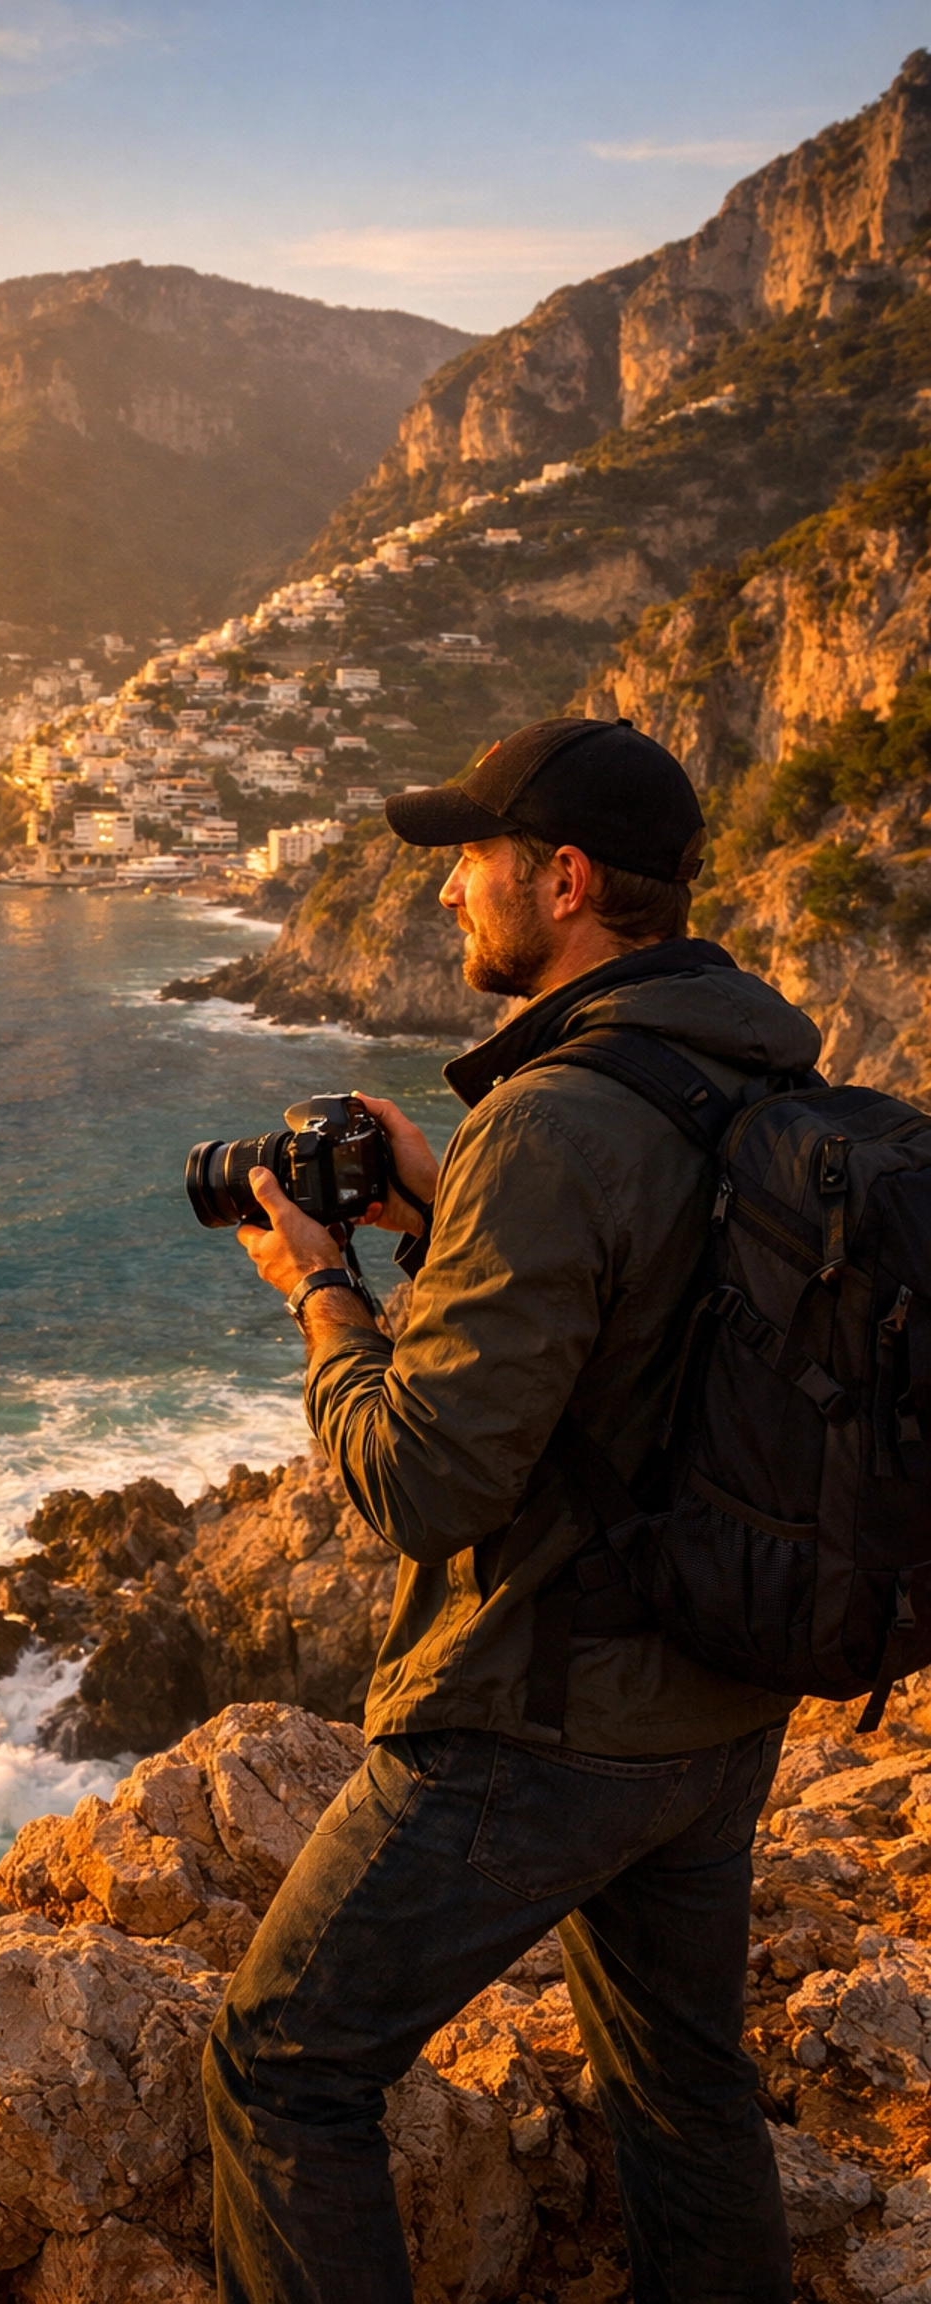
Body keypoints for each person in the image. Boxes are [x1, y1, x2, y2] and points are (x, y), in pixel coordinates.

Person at [203, 716, 820, 2304]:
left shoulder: (555, 1120)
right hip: (721, 1692)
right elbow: (642, 1337)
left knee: (283, 2067)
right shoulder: (742, 1064)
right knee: (684, 2091)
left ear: (560, 878)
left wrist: (327, 1290)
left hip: (542, 1720)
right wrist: (446, 1208)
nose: (446, 896)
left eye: (469, 861)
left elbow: (422, 1479)